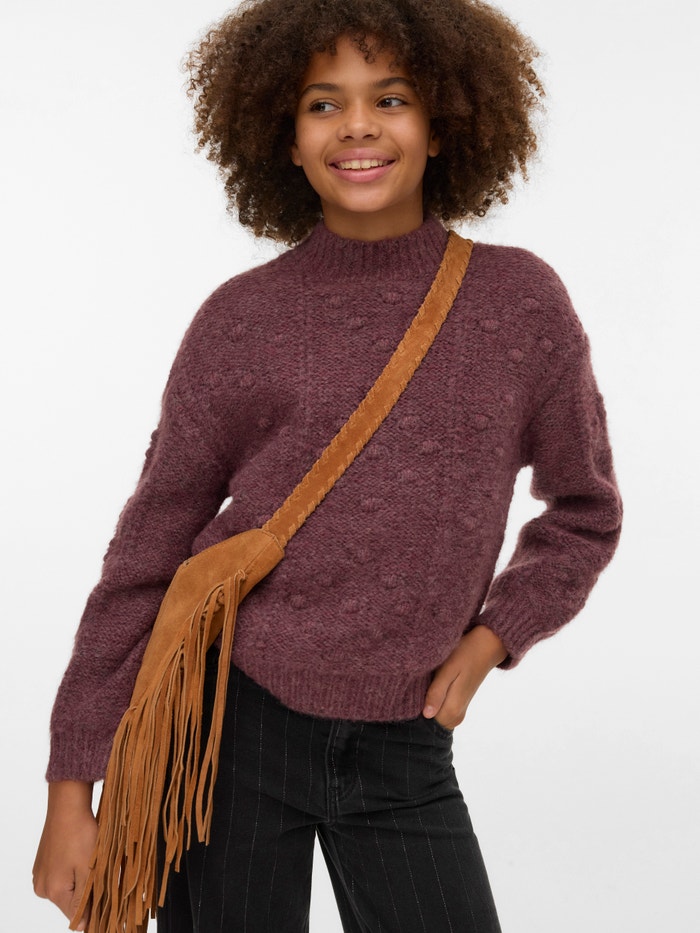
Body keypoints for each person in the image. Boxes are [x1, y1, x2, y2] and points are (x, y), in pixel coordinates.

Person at [32, 0, 623, 930]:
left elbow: (585, 511)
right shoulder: (240, 319)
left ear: (442, 124)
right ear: (286, 138)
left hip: (407, 741)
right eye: (322, 104)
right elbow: (146, 551)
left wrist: (491, 639)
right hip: (228, 730)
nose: (357, 125)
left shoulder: (519, 304)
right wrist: (72, 786)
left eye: (390, 98)